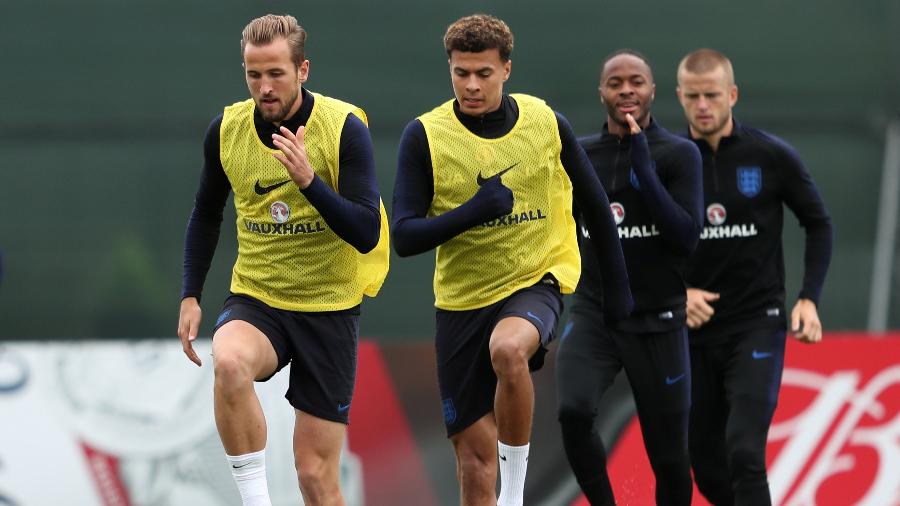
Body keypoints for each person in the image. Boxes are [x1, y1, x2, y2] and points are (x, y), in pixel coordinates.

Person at [391, 14, 632, 506]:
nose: (472, 85)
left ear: (506, 69)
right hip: (461, 303)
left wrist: (620, 295)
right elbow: (404, 236)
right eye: (461, 73)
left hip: (535, 280)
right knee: (474, 465)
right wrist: (473, 211)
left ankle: (516, 495)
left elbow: (596, 211)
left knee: (508, 350)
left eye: (483, 73)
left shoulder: (545, 122)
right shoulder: (425, 136)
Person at [176, 14, 389, 506]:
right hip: (259, 297)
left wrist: (310, 182)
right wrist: (190, 294)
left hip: (329, 306)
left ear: (303, 70)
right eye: (254, 74)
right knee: (228, 362)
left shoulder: (343, 128)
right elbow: (205, 214)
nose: (264, 87)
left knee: (316, 479)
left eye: (276, 73)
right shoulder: (227, 130)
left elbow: (364, 231)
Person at [676, 48, 832, 506]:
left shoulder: (771, 155)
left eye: (711, 95)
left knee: (744, 451)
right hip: (690, 332)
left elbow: (818, 223)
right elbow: (639, 244)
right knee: (705, 466)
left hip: (756, 323)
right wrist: (675, 293)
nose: (702, 105)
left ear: (733, 95)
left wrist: (809, 297)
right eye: (693, 96)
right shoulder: (668, 161)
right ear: (679, 96)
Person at [556, 50, 703, 506]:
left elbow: (685, 238)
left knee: (670, 458)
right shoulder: (580, 156)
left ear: (652, 91)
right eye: (615, 83)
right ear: (601, 91)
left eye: (635, 82)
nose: (626, 91)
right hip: (596, 313)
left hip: (659, 319)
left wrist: (645, 170)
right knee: (573, 411)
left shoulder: (680, 154)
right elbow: (558, 229)